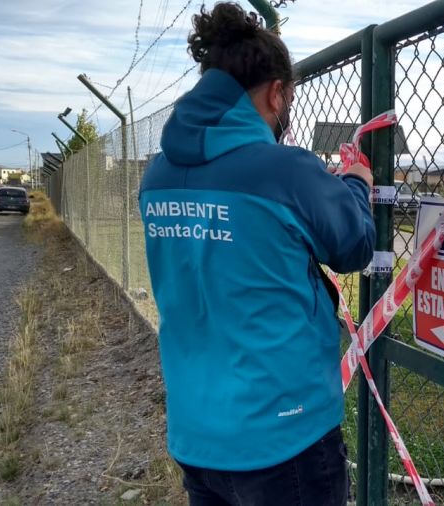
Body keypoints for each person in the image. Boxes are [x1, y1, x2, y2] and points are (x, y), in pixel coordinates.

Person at [138, 3, 375, 504]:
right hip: (284, 435)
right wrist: (356, 183)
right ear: (276, 93)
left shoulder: (156, 175)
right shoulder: (285, 169)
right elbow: (353, 244)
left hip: (196, 431)